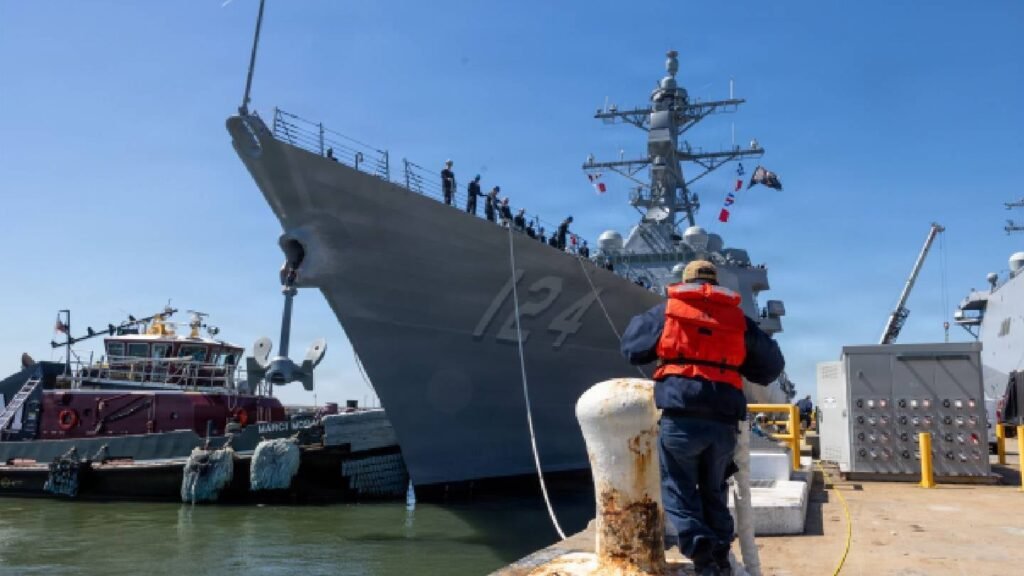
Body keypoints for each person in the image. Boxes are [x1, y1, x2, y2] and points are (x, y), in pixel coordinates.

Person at [621, 260, 784, 576]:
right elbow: (771, 366)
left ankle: (703, 557)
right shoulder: (737, 319)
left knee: (679, 490)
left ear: (684, 280)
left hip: (681, 416)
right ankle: (721, 558)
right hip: (723, 423)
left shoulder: (668, 310)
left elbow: (632, 349)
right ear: (716, 281)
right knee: (714, 490)